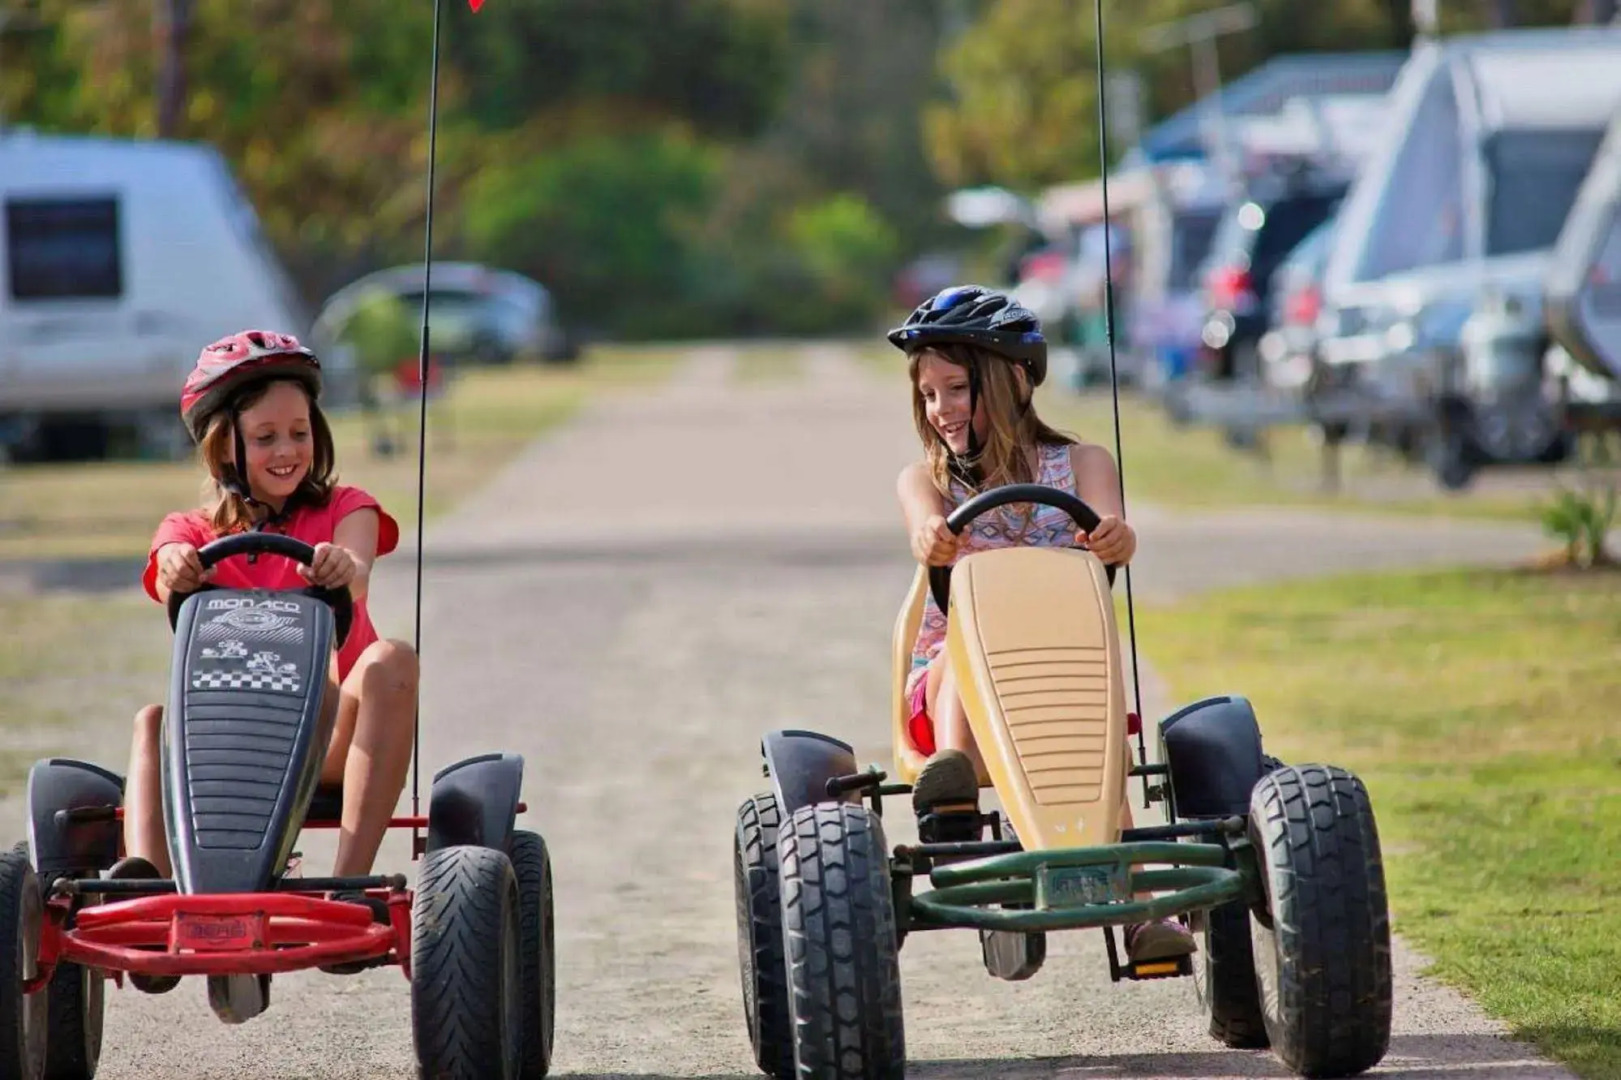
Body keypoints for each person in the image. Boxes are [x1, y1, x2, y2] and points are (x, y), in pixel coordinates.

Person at [890, 285, 1195, 963]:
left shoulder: (1081, 462)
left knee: (1095, 712)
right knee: (963, 655)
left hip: (1061, 667)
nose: (940, 409)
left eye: (956, 388)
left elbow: (1108, 522)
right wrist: (932, 537)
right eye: (928, 394)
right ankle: (954, 803)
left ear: (1011, 381)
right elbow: (921, 527)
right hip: (952, 682)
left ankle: (1140, 906)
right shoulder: (927, 480)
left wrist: (1114, 538)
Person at [114, 330, 418, 986]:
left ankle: (350, 884)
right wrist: (176, 567)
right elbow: (168, 570)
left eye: (299, 433)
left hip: (326, 730)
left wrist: (342, 566)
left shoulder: (345, 508)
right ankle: (146, 887)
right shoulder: (191, 532)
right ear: (226, 446)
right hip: (226, 742)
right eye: (266, 437)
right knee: (151, 719)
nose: (287, 451)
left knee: (391, 657)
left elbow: (357, 569)